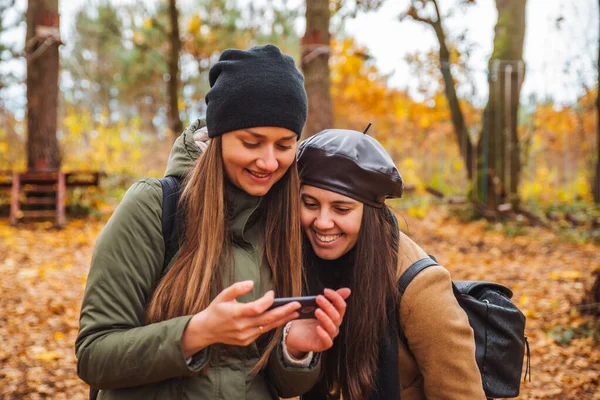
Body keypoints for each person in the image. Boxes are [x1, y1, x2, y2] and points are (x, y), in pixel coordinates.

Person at [75, 45, 349, 400]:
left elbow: (279, 385)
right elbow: (94, 356)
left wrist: (294, 351)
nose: (268, 162)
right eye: (252, 142)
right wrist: (196, 332)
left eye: (284, 145)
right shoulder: (154, 207)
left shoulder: (285, 223)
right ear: (218, 136)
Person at [296, 128, 486, 400]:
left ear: (370, 213)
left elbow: (461, 394)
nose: (322, 222)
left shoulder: (420, 288)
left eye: (341, 209)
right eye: (310, 204)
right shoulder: (297, 263)